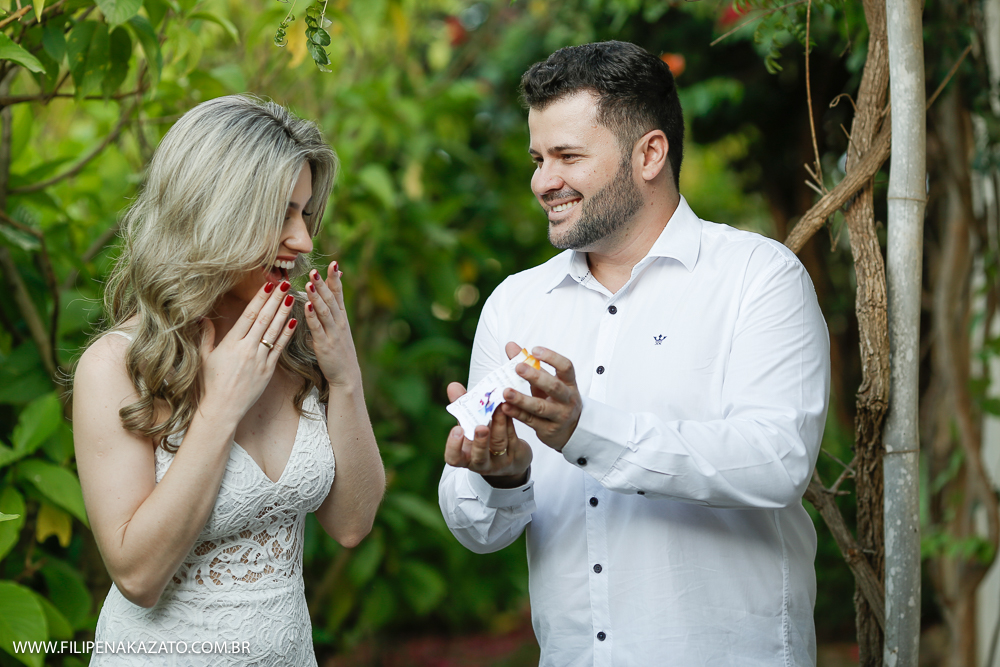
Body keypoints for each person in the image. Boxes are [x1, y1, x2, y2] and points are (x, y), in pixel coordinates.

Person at [438, 41, 830, 666]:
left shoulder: (759, 277)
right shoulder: (516, 304)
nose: (544, 181)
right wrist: (500, 473)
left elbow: (777, 462)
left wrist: (584, 429)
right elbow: (480, 531)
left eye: (567, 156)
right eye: (538, 157)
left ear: (650, 153)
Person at [73, 95, 386, 666]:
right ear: (213, 214)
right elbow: (138, 575)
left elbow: (351, 524)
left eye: (306, 213)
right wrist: (220, 408)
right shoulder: (116, 367)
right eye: (281, 214)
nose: (304, 241)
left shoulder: (296, 351)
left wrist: (345, 380)